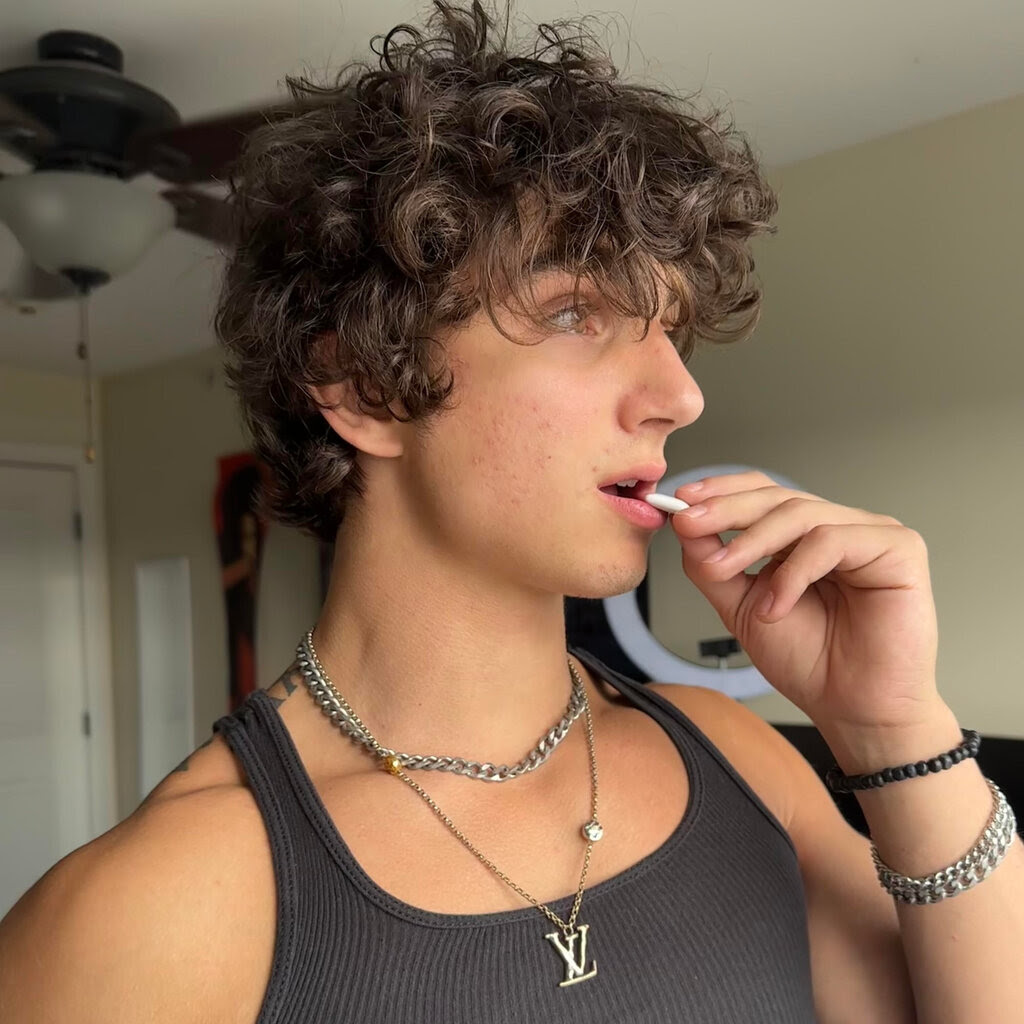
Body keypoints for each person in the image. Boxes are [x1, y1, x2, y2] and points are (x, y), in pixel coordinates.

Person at [2, 2, 1020, 1021]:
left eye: (671, 330)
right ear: (362, 386)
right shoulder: (144, 914)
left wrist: (893, 728)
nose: (680, 394)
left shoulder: (738, 759)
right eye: (578, 312)